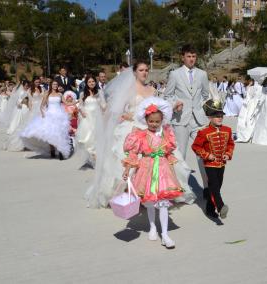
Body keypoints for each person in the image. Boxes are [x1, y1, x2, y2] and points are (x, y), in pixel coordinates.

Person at [85, 61, 194, 208]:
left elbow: (157, 109)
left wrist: (174, 106)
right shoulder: (128, 89)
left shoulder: (152, 89)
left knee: (158, 161)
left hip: (152, 129)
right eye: (141, 70)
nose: (144, 72)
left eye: (146, 70)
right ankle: (128, 193)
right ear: (135, 72)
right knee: (131, 163)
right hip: (133, 128)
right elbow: (116, 110)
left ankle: (157, 190)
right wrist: (127, 115)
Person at [122, 97, 183, 249]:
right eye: (151, 121)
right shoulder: (140, 135)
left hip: (162, 171)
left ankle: (165, 234)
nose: (154, 124)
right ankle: (152, 227)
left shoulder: (166, 135)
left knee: (163, 204)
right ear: (146, 120)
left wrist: (169, 161)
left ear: (162, 121)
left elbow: (169, 151)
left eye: (157, 121)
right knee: (149, 203)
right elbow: (133, 153)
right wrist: (128, 169)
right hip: (146, 169)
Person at [163, 44, 210, 190]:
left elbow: (205, 94)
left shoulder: (202, 74)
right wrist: (175, 104)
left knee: (203, 153)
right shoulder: (174, 74)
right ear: (182, 57)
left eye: (194, 56)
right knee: (180, 155)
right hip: (180, 119)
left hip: (198, 120)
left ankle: (207, 187)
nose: (191, 59)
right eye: (188, 56)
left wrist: (200, 108)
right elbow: (167, 95)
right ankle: (179, 187)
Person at [192, 99, 234, 219]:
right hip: (210, 164)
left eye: (221, 116)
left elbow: (231, 144)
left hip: (221, 164)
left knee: (216, 186)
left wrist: (228, 154)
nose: (219, 118)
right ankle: (220, 207)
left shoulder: (227, 130)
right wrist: (206, 155)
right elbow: (195, 146)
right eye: (216, 116)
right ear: (210, 117)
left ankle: (210, 209)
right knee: (214, 186)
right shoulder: (204, 132)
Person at [20, 80, 71, 160]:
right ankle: (52, 150)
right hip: (50, 114)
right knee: (50, 133)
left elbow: (66, 103)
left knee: (59, 132)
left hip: (59, 115)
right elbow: (42, 106)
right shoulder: (47, 94)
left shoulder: (60, 94)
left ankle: (61, 151)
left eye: (56, 84)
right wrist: (43, 113)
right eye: (54, 84)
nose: (55, 85)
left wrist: (75, 102)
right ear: (51, 85)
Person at [76, 75, 106, 166]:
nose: (91, 83)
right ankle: (94, 158)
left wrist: (105, 110)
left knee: (96, 138)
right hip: (87, 118)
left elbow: (103, 104)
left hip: (97, 118)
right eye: (89, 82)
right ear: (86, 83)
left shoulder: (99, 92)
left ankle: (96, 159)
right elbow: (80, 105)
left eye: (93, 81)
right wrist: (82, 112)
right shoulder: (83, 94)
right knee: (88, 138)